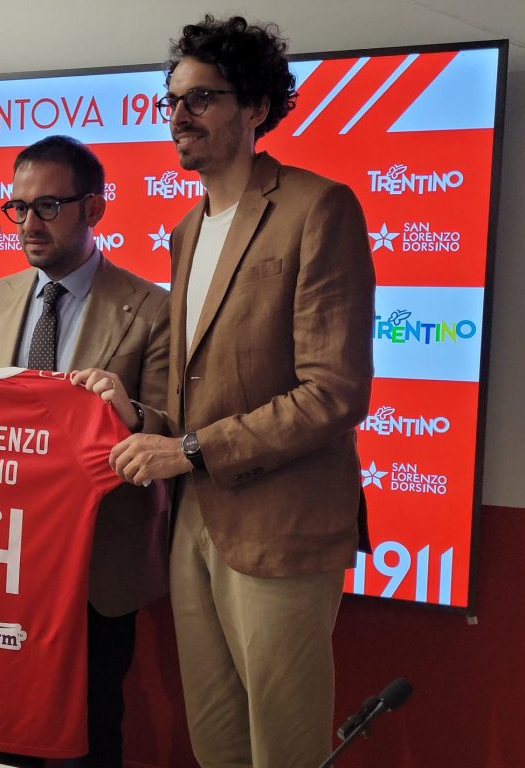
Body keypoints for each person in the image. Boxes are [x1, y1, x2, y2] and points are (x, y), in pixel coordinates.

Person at [96, 16, 376, 768]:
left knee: (283, 748)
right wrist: (138, 415)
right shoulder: (187, 229)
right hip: (195, 522)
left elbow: (334, 391)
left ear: (255, 106)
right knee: (215, 743)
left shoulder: (318, 207)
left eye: (202, 98)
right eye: (172, 100)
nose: (179, 116)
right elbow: (202, 397)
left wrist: (188, 449)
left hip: (281, 527)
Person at [0, 135, 171, 767]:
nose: (29, 223)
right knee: (6, 726)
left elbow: (174, 429)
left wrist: (127, 412)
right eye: (18, 207)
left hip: (96, 561)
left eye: (49, 206)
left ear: (94, 208)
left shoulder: (152, 308)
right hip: (5, 557)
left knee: (90, 727)